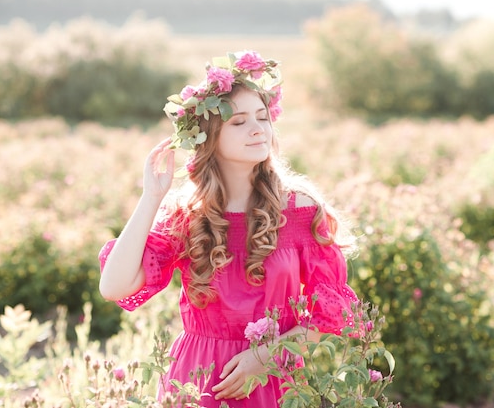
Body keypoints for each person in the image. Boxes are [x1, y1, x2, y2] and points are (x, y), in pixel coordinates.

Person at [98, 50, 360, 407]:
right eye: (238, 122)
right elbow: (114, 286)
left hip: (274, 381)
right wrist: (151, 198)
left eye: (263, 117)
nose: (257, 129)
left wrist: (267, 356)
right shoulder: (186, 215)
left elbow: (333, 314)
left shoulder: (300, 210)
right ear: (209, 136)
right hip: (197, 381)